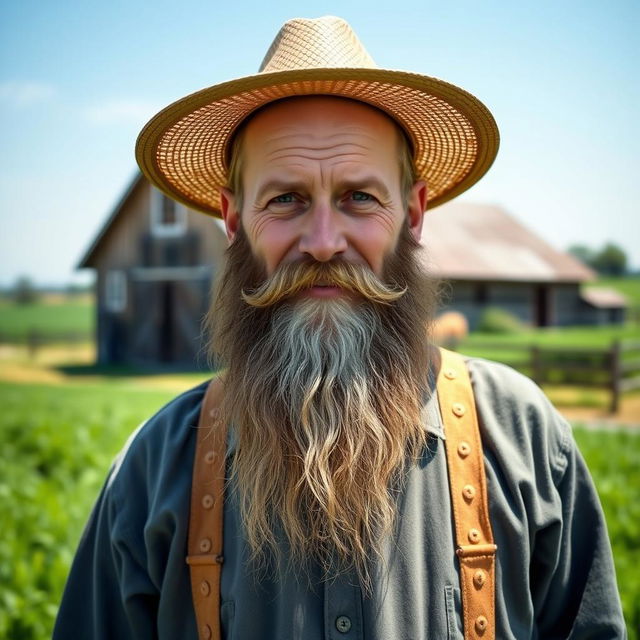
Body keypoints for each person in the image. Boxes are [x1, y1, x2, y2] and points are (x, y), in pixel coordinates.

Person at [54, 16, 626, 640]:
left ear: (412, 213)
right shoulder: (153, 474)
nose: (324, 244)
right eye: (285, 199)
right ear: (232, 218)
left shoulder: (527, 444)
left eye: (359, 198)